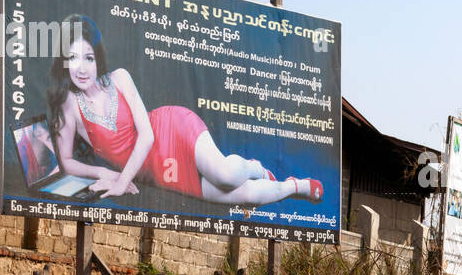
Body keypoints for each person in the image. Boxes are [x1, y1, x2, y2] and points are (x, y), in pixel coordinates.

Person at [45, 15, 322, 207]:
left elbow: (147, 136)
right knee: (243, 195)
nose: (82, 68)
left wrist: (121, 180)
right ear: (64, 63)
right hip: (158, 172)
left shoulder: (119, 77)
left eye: (88, 58)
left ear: (98, 58)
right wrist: (106, 175)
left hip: (170, 130)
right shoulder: (67, 105)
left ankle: (254, 167)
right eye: (73, 58)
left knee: (225, 175)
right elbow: (66, 161)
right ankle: (293, 187)